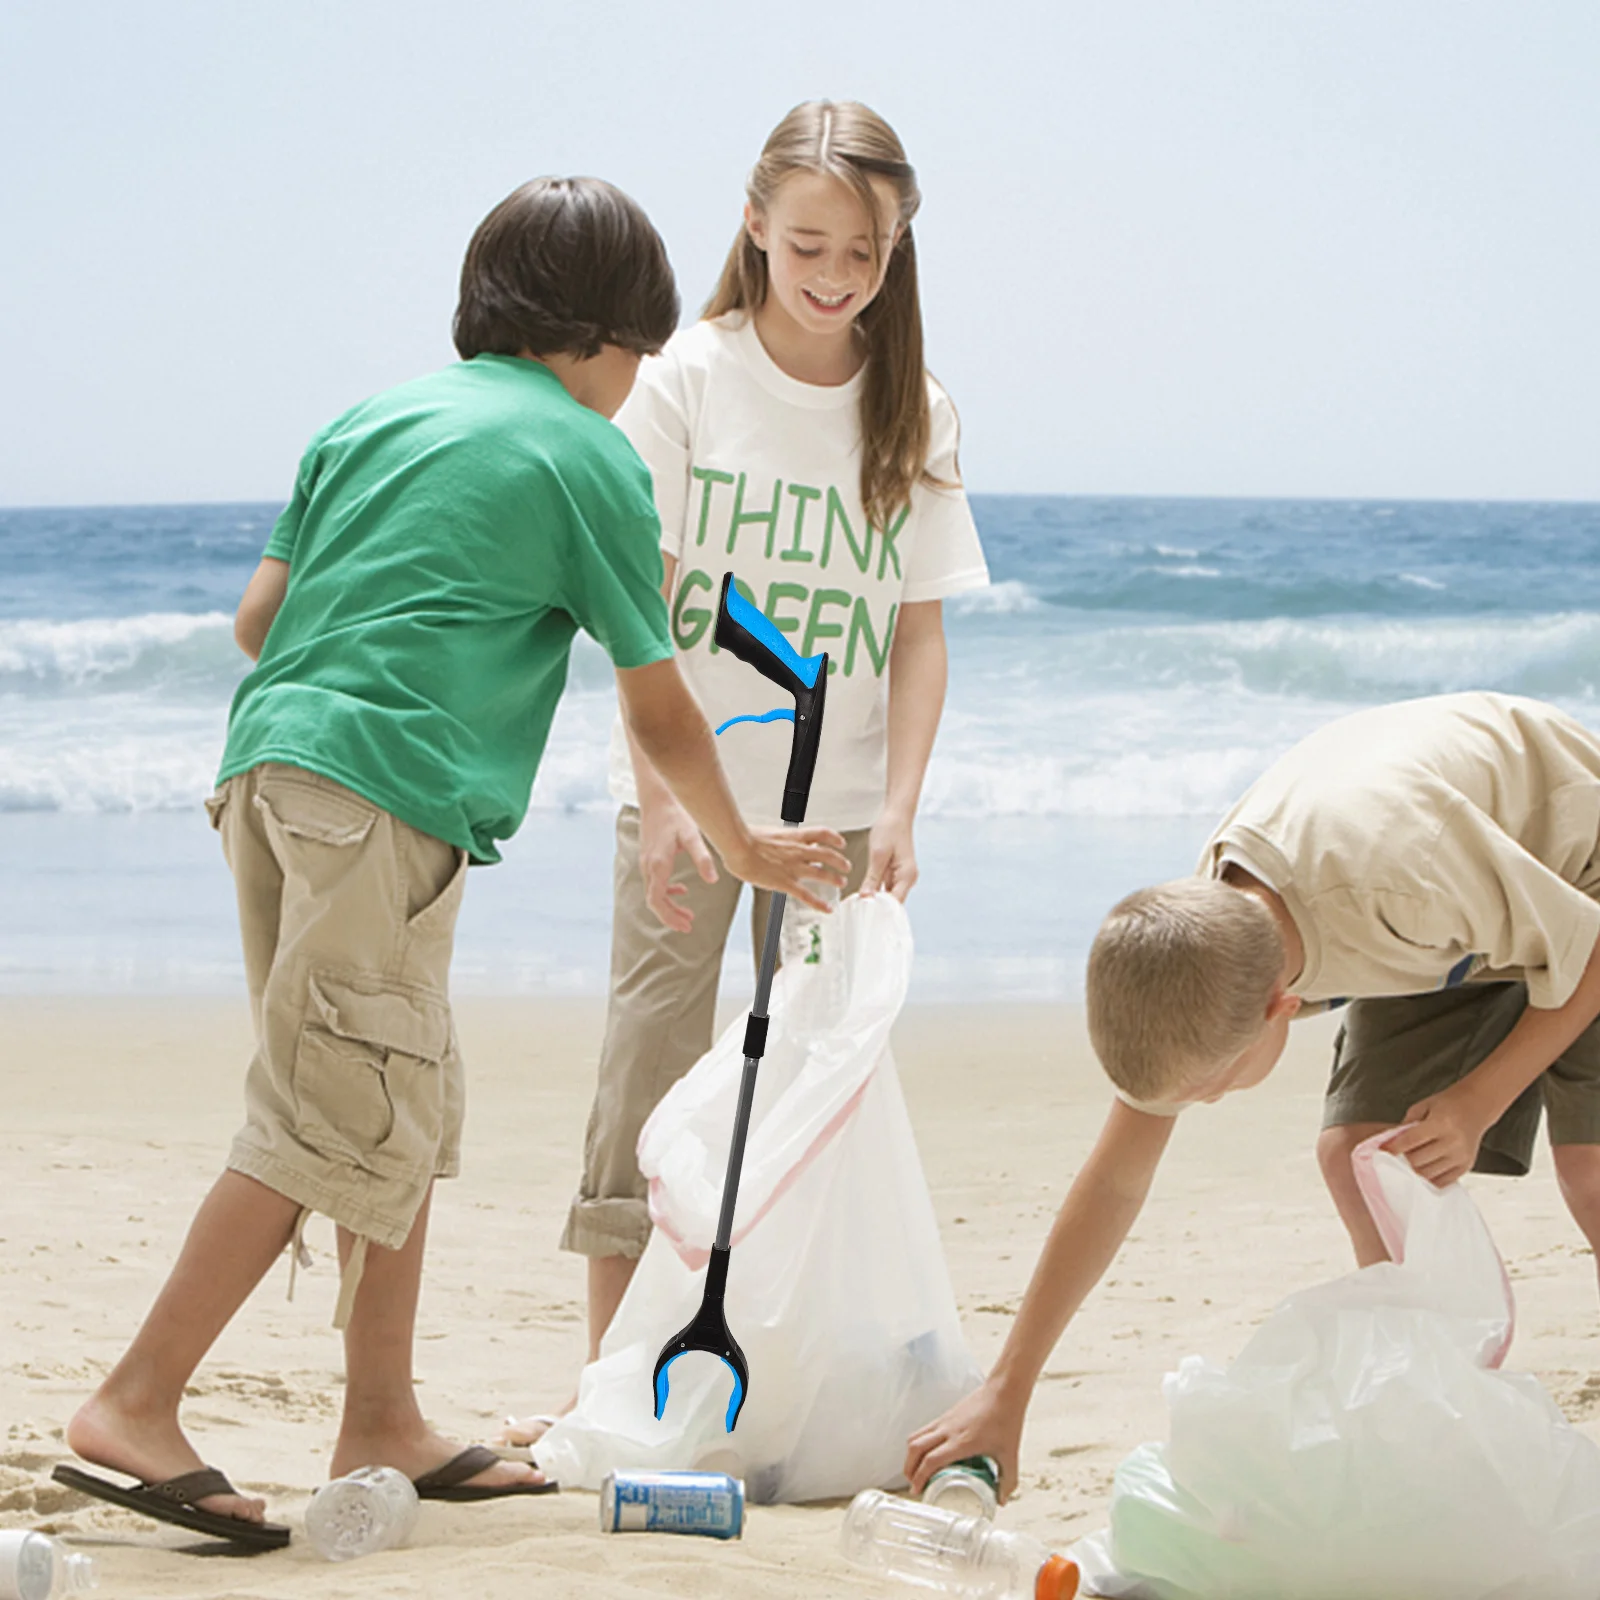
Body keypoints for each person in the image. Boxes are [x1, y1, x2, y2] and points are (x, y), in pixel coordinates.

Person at [55, 175, 848, 1547]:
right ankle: (136, 1400)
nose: (631, 391)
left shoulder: (371, 418)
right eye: (636, 363)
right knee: (327, 1109)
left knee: (390, 1093)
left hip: (268, 777)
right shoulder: (586, 456)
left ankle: (382, 1417)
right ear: (612, 336)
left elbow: (261, 620)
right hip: (381, 805)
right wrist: (745, 847)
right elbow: (660, 700)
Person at [504, 99, 988, 1445]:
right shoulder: (689, 379)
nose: (836, 278)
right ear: (756, 228)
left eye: (865, 255)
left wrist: (897, 805)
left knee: (812, 1084)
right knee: (651, 1070)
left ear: (897, 251)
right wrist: (665, 802)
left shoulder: (918, 409)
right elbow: (640, 607)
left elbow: (920, 629)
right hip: (690, 804)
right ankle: (610, 1376)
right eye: (809, 247)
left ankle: (771, 1360)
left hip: (836, 822)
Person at [904, 691, 1600, 1503]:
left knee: (1588, 1171)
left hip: (1571, 873)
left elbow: (1586, 950)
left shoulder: (1396, 891)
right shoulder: (1199, 941)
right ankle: (1438, 1400)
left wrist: (1481, 1099)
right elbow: (1116, 1179)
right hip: (1463, 914)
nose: (1203, 1105)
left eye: (1211, 1091)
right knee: (1362, 1156)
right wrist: (1008, 1388)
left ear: (1283, 1008)